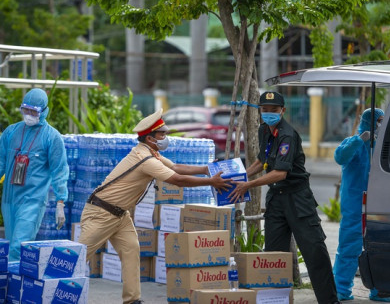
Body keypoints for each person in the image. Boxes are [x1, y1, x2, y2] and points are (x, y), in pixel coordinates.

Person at [78, 109, 231, 304]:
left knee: (132, 250)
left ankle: (132, 300)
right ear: (150, 138)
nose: (166, 138)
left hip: (119, 215)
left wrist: (208, 168)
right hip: (101, 212)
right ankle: (53, 289)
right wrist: (211, 182)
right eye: (162, 135)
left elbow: (175, 168)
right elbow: (178, 179)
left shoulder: (151, 153)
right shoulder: (146, 159)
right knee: (78, 256)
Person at [229, 91, 340, 304]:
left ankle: (329, 301)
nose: (269, 113)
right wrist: (241, 177)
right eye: (265, 110)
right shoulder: (263, 129)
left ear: (283, 111)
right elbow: (262, 160)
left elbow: (280, 172)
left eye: (274, 110)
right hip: (276, 200)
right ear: (260, 111)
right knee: (274, 257)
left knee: (314, 252)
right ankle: (276, 300)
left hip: (298, 199)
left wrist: (248, 185)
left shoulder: (288, 134)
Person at [0, 88, 69, 260]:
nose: (29, 114)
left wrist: (61, 202)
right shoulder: (11, 132)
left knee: (19, 245)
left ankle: (14, 285)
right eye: (26, 110)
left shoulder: (52, 137)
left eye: (34, 111)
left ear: (44, 111)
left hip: (32, 200)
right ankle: (8, 283)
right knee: (9, 244)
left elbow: (59, 170)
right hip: (9, 199)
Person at [333, 108, 389, 302]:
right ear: (368, 121)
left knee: (379, 247)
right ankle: (340, 289)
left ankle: (380, 289)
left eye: (383, 121)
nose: (381, 124)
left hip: (378, 203)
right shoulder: (354, 142)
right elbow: (340, 156)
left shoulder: (383, 146)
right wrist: (360, 140)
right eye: (378, 120)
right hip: (354, 205)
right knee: (349, 247)